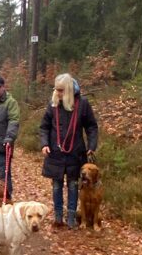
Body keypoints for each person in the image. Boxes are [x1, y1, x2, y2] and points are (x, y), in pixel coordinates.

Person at [39, 73, 98, 229]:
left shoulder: (83, 104)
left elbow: (91, 126)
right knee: (56, 185)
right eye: (56, 89)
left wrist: (91, 146)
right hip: (55, 152)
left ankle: (71, 217)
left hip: (75, 152)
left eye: (61, 90)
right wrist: (44, 144)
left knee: (73, 184)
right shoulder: (52, 105)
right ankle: (58, 217)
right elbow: (44, 127)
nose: (57, 93)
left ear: (69, 90)